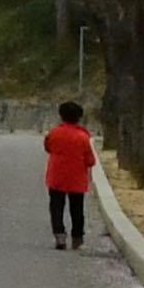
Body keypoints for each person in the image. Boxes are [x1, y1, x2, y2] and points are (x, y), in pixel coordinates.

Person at [46, 100, 96, 249]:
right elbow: (90, 160)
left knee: (56, 206)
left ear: (61, 116)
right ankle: (77, 237)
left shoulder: (54, 133)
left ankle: (60, 235)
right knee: (77, 208)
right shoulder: (83, 137)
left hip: (57, 176)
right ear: (79, 117)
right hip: (77, 178)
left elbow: (48, 147)